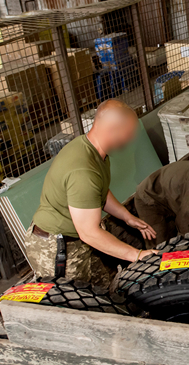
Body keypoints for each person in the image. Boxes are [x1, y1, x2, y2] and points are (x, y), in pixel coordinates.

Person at [27, 100, 158, 287]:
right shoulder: (83, 171)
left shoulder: (96, 151)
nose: (130, 140)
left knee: (106, 289)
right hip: (58, 247)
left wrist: (126, 216)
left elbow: (99, 191)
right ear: (113, 130)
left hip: (80, 240)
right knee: (77, 304)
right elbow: (89, 232)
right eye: (129, 134)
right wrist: (136, 255)